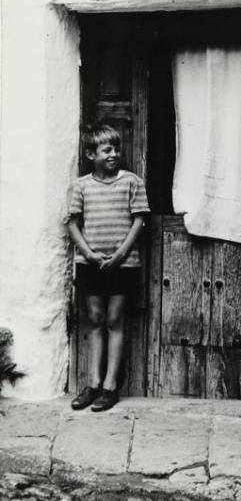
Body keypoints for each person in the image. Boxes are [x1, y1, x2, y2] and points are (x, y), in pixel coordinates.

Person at [66, 124, 150, 412]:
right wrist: (89, 253)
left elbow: (139, 220)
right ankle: (92, 383)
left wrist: (119, 254)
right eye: (107, 150)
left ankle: (110, 386)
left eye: (116, 149)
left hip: (122, 263)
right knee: (96, 317)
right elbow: (73, 223)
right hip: (89, 263)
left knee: (115, 318)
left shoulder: (131, 182)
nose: (114, 154)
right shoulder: (81, 185)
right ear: (91, 154)